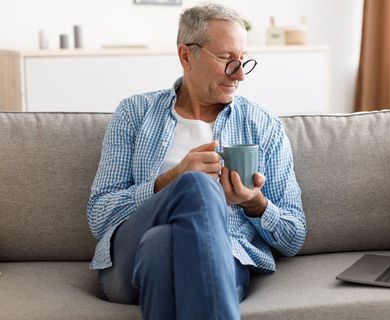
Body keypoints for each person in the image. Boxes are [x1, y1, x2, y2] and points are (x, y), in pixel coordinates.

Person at [86, 3, 306, 319]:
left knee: (162, 246)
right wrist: (172, 179)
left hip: (217, 258)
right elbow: (99, 215)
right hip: (126, 262)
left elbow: (295, 234)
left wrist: (255, 203)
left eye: (243, 61)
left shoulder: (262, 125)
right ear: (187, 56)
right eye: (228, 60)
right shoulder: (134, 114)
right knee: (194, 185)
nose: (240, 74)